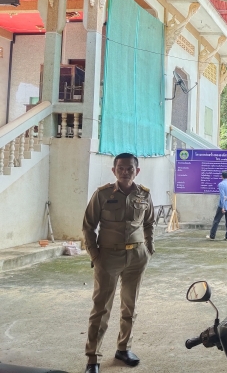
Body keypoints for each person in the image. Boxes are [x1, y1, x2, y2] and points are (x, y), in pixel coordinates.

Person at [82, 153, 155, 373]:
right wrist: (95, 255)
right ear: (114, 170)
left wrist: (149, 249)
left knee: (130, 306)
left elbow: (149, 223)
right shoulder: (102, 194)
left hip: (137, 257)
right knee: (101, 308)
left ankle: (124, 348)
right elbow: (88, 226)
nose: (125, 172)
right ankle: (93, 357)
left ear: (137, 171)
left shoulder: (144, 194)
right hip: (108, 258)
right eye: (121, 168)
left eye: (130, 168)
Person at [207, 170, 227, 240]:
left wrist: (223, 207)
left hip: (223, 206)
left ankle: (212, 236)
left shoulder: (221, 184)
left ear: (221, 176)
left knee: (216, 221)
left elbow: (222, 197)